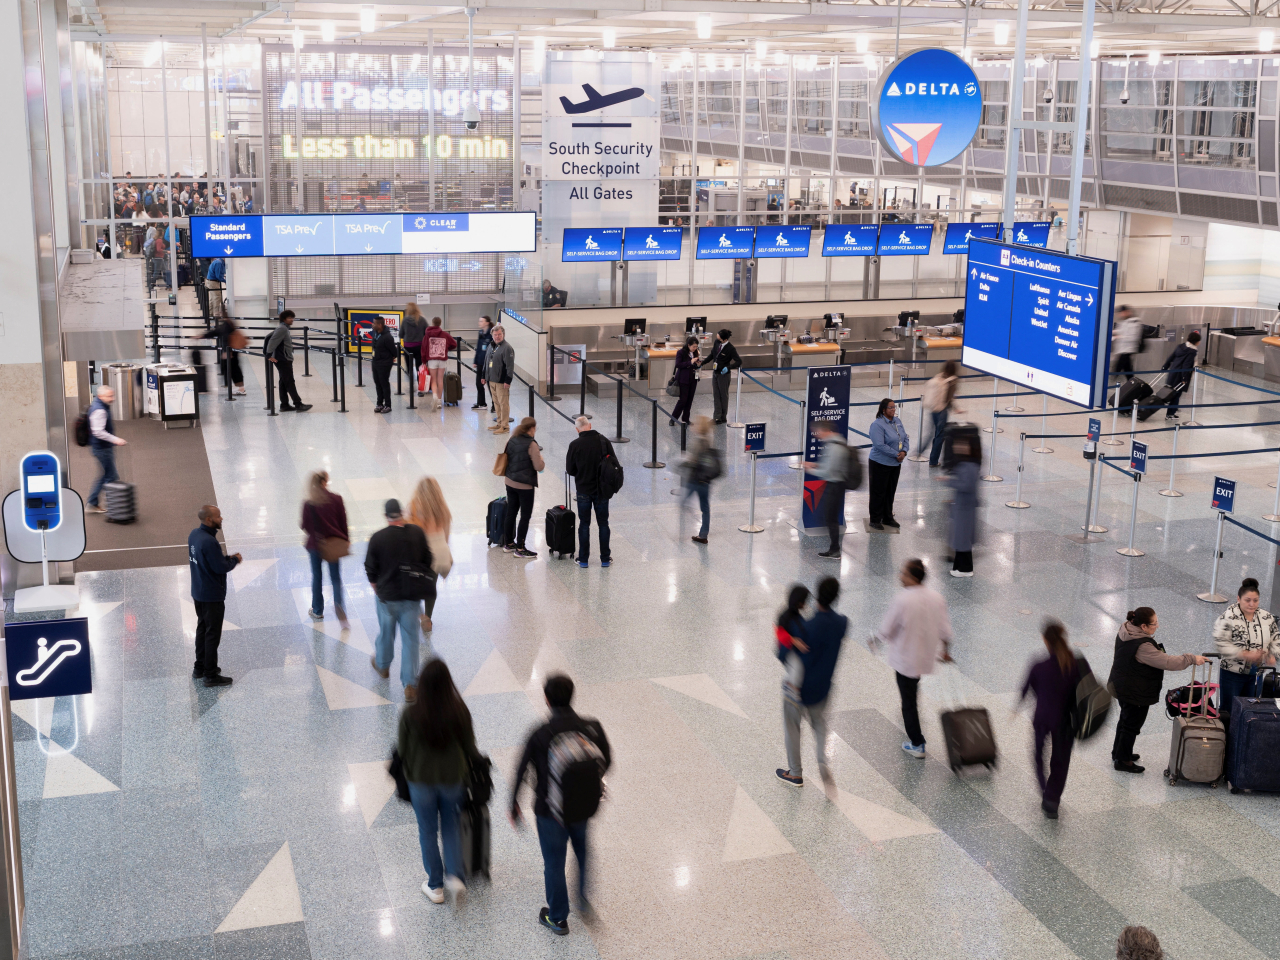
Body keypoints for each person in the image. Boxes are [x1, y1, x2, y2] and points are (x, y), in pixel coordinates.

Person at [510, 674, 611, 936]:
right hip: (583, 807)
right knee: (582, 851)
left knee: (554, 863)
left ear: (546, 699)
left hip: (550, 812)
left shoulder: (540, 734)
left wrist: (514, 805)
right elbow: (607, 761)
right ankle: (583, 899)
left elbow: (521, 770)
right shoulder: (592, 727)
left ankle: (557, 918)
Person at [399, 658, 475, 905]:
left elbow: (403, 751)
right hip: (453, 780)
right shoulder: (460, 711)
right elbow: (470, 748)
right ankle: (455, 876)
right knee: (451, 827)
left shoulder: (410, 714)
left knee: (428, 831)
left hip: (421, 782)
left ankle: (435, 886)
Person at [871, 558, 953, 759]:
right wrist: (946, 650)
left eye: (903, 573)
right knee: (912, 688)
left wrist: (876, 639)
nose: (900, 576)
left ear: (913, 577)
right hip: (924, 656)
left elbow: (888, 627)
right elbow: (945, 629)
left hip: (905, 658)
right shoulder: (936, 598)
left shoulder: (903, 599)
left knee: (908, 702)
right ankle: (914, 726)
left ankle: (917, 743)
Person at [1107, 607, 1206, 773]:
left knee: (1125, 720)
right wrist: (1191, 659)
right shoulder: (1142, 646)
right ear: (1143, 626)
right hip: (1134, 691)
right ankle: (1123, 761)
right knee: (1131, 725)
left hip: (1121, 684)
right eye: (1154, 623)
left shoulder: (1127, 628)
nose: (1157, 626)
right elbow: (1167, 662)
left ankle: (1119, 752)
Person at [775, 577, 845, 797]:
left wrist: (787, 639)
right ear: (836, 597)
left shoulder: (806, 627)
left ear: (816, 597)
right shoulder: (842, 623)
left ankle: (795, 773)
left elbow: (782, 653)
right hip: (822, 688)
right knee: (819, 724)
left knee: (792, 729)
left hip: (796, 689)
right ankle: (822, 759)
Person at [365, 498, 432, 703]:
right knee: (411, 639)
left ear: (386, 516)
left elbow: (370, 570)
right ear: (402, 513)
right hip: (411, 598)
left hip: (386, 598)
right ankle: (410, 685)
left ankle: (383, 665)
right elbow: (427, 560)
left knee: (386, 633)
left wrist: (377, 589)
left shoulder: (378, 538)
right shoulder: (416, 533)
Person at [1018, 619, 1080, 819]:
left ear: (1045, 640)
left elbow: (1026, 690)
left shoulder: (1039, 666)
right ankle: (1052, 800)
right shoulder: (1074, 664)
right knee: (1061, 760)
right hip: (1066, 720)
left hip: (1043, 717)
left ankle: (1044, 789)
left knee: (1038, 755)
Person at [1211, 577, 1280, 730]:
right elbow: (1220, 643)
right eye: (1247, 600)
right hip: (1232, 674)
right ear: (1238, 599)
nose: (1251, 604)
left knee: (1251, 709)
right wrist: (1244, 654)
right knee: (1230, 710)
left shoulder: (1266, 617)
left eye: (1255, 600)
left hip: (1256, 674)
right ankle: (1228, 740)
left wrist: (1273, 654)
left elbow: (1276, 639)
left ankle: (1245, 740)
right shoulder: (1228, 617)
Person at [188, 504, 242, 687]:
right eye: (218, 516)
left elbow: (209, 561)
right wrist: (234, 560)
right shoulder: (209, 542)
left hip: (198, 591)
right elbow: (220, 567)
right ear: (209, 519)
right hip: (211, 595)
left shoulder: (194, 535)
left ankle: (199, 667)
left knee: (202, 628)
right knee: (212, 634)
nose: (221, 519)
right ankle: (210, 675)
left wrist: (226, 558)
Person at [566, 415, 617, 567]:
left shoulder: (574, 445)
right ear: (590, 425)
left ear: (577, 430)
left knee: (584, 524)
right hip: (602, 490)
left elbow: (570, 470)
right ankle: (605, 559)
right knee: (603, 523)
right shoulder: (604, 441)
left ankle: (583, 560)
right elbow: (614, 464)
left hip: (583, 490)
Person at [300, 471, 349, 625]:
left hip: (315, 545)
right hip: (333, 544)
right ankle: (339, 605)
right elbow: (343, 522)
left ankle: (317, 610)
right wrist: (345, 539)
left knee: (317, 576)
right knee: (335, 577)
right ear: (324, 482)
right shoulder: (337, 499)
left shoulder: (309, 503)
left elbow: (304, 525)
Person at [406, 477, 452, 632]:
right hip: (439, 552)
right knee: (431, 586)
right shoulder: (442, 507)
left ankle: (419, 614)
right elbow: (446, 535)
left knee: (413, 585)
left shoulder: (414, 506)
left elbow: (408, 530)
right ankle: (428, 618)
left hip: (422, 551)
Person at [803, 421, 849, 560]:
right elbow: (829, 465)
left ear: (826, 430)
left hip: (835, 485)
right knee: (829, 517)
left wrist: (810, 470)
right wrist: (814, 464)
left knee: (831, 518)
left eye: (819, 432)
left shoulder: (834, 447)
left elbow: (828, 472)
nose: (817, 435)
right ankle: (834, 548)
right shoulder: (836, 443)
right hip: (836, 484)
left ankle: (835, 550)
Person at [503, 417, 546, 558]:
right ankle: (520, 549)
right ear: (532, 428)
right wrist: (542, 460)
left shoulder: (512, 439)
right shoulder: (531, 444)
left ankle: (508, 543)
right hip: (524, 485)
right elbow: (538, 467)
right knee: (525, 516)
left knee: (511, 512)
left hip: (510, 481)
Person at [85, 385, 127, 514]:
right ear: (100, 396)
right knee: (110, 476)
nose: (112, 398)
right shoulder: (100, 410)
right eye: (109, 396)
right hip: (102, 448)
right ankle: (114, 508)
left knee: (106, 475)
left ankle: (93, 503)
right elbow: (98, 432)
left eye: (112, 395)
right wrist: (115, 439)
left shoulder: (99, 405)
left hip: (101, 447)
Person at [868, 397, 909, 530]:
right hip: (880, 463)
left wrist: (904, 452)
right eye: (890, 407)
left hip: (895, 464)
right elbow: (879, 445)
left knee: (890, 491)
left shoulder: (897, 421)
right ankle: (875, 519)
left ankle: (887, 517)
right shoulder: (877, 425)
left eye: (894, 407)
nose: (893, 409)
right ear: (883, 410)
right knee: (878, 492)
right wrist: (896, 455)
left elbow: (905, 438)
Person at [943, 434, 980, 577]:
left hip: (965, 508)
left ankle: (965, 569)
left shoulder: (969, 466)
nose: (957, 447)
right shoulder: (965, 464)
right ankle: (959, 567)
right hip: (962, 506)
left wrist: (949, 481)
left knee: (963, 539)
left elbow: (966, 486)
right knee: (961, 539)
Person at [265, 310, 312, 412]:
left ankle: (284, 405)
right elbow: (272, 341)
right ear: (284, 319)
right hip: (283, 359)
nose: (292, 320)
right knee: (289, 381)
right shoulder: (282, 329)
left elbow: (269, 338)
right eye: (290, 318)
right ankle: (298, 404)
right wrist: (268, 354)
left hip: (283, 358)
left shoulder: (283, 328)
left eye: (292, 318)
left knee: (283, 381)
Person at [681, 416, 718, 544]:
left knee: (683, 502)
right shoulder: (708, 440)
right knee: (705, 508)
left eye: (696, 424)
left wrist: (684, 462)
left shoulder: (697, 442)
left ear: (699, 427)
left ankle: (687, 515)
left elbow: (693, 460)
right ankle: (703, 535)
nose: (693, 426)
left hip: (695, 479)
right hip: (706, 480)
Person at [775, 584, 810, 705]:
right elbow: (780, 633)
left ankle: (794, 689)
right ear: (799, 602)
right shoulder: (786, 616)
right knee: (796, 668)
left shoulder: (796, 615)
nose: (805, 604)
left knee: (797, 671)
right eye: (804, 601)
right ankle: (792, 690)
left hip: (793, 652)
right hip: (788, 652)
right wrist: (794, 641)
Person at [924, 360, 963, 467]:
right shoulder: (953, 380)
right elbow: (949, 398)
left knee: (933, 433)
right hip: (942, 410)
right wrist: (956, 408)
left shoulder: (939, 376)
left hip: (933, 408)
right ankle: (933, 461)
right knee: (939, 436)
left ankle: (922, 451)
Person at [1160, 330, 1200, 420]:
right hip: (1180, 375)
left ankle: (1172, 410)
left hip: (1173, 372)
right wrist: (1184, 378)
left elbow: (1171, 357)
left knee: (1173, 393)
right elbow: (1186, 365)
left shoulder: (1181, 346)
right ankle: (1170, 414)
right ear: (1196, 341)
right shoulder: (1192, 351)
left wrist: (1165, 366)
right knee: (1176, 394)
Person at [705, 328, 741, 424]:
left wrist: (728, 367)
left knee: (723, 395)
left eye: (719, 338)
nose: (717, 339)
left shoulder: (730, 348)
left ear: (725, 339)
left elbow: (739, 361)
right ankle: (717, 417)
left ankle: (723, 417)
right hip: (715, 373)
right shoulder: (717, 343)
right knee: (716, 395)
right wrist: (703, 363)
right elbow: (712, 355)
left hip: (723, 375)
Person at [484, 324, 515, 434]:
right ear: (492, 335)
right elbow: (486, 361)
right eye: (495, 335)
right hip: (491, 379)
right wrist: (484, 376)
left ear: (503, 335)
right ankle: (499, 422)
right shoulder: (491, 346)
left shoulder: (507, 348)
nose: (497, 337)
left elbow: (510, 366)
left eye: (499, 334)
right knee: (496, 403)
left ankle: (505, 426)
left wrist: (508, 380)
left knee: (503, 403)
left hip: (501, 381)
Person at [422, 316, 457, 411]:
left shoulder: (427, 335)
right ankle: (439, 401)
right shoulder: (445, 334)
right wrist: (446, 349)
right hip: (442, 359)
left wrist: (424, 361)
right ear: (440, 324)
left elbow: (424, 348)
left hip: (432, 359)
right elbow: (454, 344)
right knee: (440, 379)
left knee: (433, 380)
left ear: (432, 323)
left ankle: (434, 395)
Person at [670, 335, 701, 425]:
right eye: (693, 346)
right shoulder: (681, 352)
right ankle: (673, 418)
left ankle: (686, 419)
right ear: (688, 345)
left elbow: (694, 366)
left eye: (696, 347)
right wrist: (690, 362)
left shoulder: (695, 353)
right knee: (683, 400)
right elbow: (678, 364)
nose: (695, 348)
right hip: (683, 379)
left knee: (689, 400)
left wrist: (698, 365)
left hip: (693, 379)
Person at [370, 316, 397, 414]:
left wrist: (390, 357)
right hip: (375, 362)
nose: (372, 325)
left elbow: (394, 351)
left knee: (384, 383)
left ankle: (388, 405)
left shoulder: (387, 337)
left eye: (374, 323)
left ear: (380, 325)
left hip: (384, 363)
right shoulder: (376, 333)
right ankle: (379, 403)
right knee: (377, 383)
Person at [401, 303, 428, 396]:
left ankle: (411, 386)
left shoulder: (405, 320)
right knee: (420, 367)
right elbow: (427, 332)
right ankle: (421, 389)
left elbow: (401, 334)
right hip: (419, 347)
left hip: (408, 347)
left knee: (409, 367)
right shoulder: (422, 319)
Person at [1111, 306, 1144, 381]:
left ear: (1127, 312)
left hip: (1129, 349)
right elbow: (1121, 331)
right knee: (1127, 368)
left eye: (1122, 312)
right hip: (1122, 349)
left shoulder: (1135, 322)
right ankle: (1132, 382)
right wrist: (1114, 332)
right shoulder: (1123, 321)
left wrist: (1120, 337)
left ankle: (1111, 378)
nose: (1120, 315)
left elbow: (1134, 337)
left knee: (1118, 366)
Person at [216, 316, 246, 395]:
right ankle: (240, 387)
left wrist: (228, 352)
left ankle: (241, 389)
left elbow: (227, 337)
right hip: (231, 350)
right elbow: (217, 332)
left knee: (234, 368)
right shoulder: (226, 323)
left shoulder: (227, 324)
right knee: (232, 368)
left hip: (231, 351)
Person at [472, 316, 494, 410]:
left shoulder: (491, 334)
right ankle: (481, 403)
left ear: (487, 323)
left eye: (481, 321)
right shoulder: (480, 333)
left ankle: (495, 405)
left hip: (489, 363)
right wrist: (475, 361)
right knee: (479, 383)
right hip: (481, 362)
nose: (479, 322)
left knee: (490, 384)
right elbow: (478, 348)